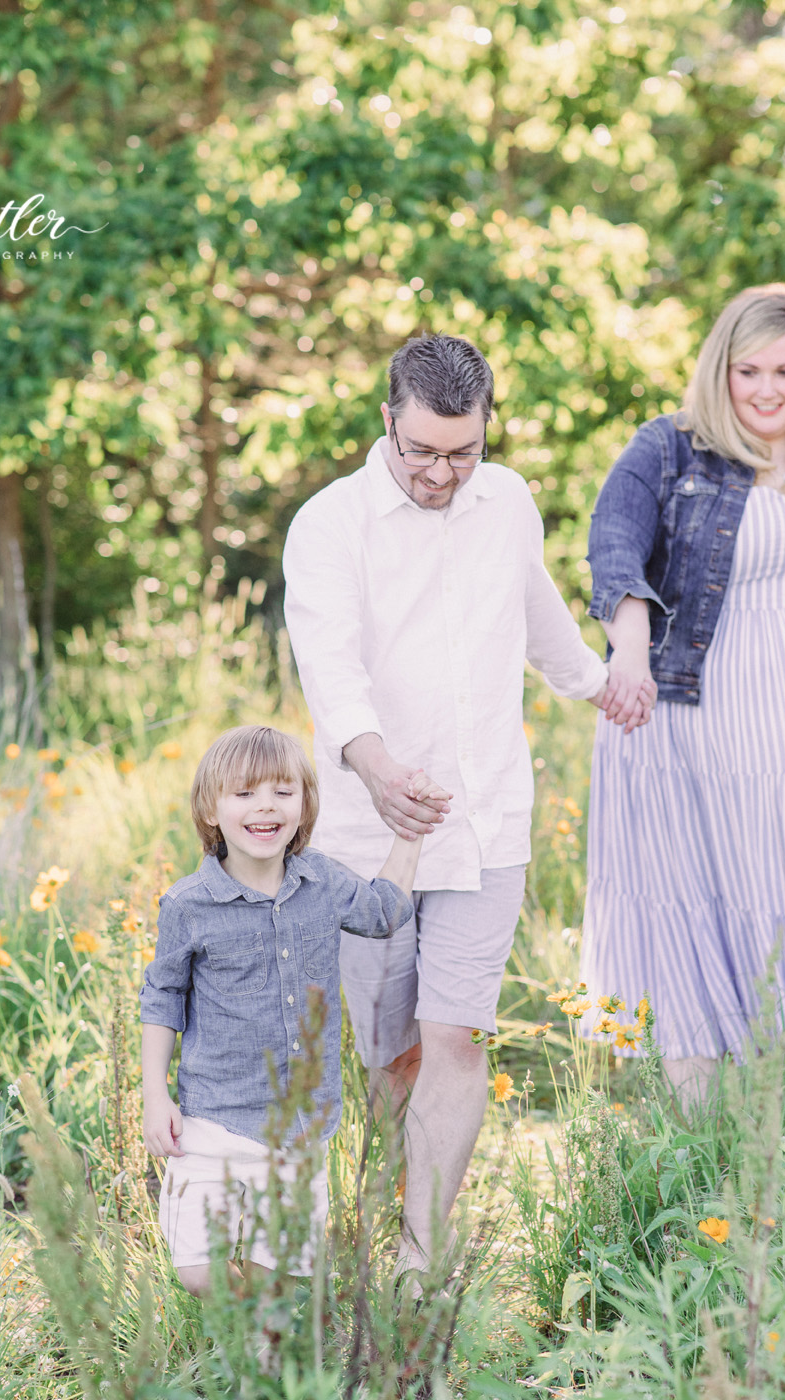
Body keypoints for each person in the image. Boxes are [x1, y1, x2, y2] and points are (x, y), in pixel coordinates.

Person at [282, 333, 635, 1289]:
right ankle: (383, 1219)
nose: (441, 472)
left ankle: (422, 1261)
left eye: (462, 452)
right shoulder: (329, 523)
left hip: (487, 825)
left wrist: (602, 686)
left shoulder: (509, 500)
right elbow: (330, 664)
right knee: (390, 1056)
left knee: (456, 1034)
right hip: (368, 838)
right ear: (387, 421)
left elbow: (539, 615)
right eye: (423, 451)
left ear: (486, 432)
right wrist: (378, 767)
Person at [582, 282, 785, 1104]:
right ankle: (715, 1137)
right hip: (700, 709)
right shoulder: (669, 449)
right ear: (719, 370)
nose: (766, 391)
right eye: (746, 371)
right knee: (713, 911)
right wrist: (631, 661)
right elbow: (615, 554)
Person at [139, 724, 443, 1295]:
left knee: (274, 1274)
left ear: (304, 808)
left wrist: (412, 830)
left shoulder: (321, 882)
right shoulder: (188, 904)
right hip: (212, 1120)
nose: (265, 806)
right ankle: (252, 1327)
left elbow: (383, 913)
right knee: (197, 1268)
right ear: (211, 809)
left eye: (283, 792)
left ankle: (266, 1360)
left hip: (301, 1127)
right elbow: (162, 998)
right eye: (245, 793)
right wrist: (156, 1097)